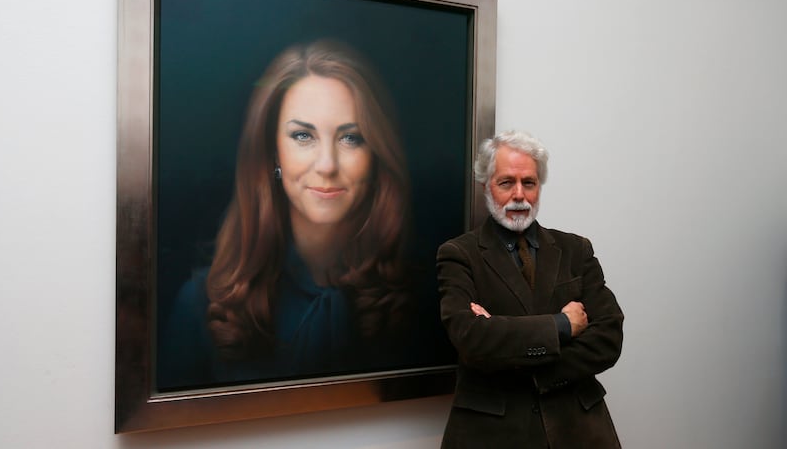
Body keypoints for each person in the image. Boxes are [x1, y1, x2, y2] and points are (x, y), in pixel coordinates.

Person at [159, 40, 416, 389]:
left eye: (351, 138)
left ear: (376, 156)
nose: (327, 165)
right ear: (273, 154)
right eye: (302, 135)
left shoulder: (423, 295)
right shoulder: (199, 304)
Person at [437, 130, 624, 448]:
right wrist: (563, 325)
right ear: (487, 186)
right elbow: (470, 337)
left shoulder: (576, 250)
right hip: (493, 434)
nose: (519, 195)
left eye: (529, 183)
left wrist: (512, 349)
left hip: (579, 430)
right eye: (506, 182)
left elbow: (608, 338)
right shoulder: (458, 255)